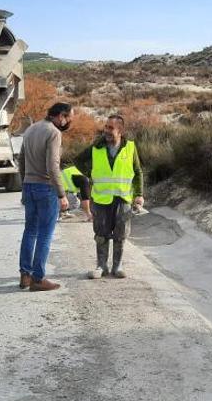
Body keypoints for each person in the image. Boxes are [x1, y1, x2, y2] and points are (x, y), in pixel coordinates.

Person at [74, 115, 144, 279]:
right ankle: (101, 266)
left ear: (120, 130)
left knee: (121, 234)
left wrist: (139, 194)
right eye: (105, 127)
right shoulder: (96, 147)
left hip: (123, 198)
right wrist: (90, 174)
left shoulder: (130, 148)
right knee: (101, 233)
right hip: (101, 199)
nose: (106, 131)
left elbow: (138, 171)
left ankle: (117, 266)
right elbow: (77, 160)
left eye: (110, 128)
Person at [17, 102, 73, 291]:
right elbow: (53, 166)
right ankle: (38, 278)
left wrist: (24, 182)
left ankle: (25, 275)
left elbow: (21, 159)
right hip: (46, 187)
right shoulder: (54, 133)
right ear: (61, 116)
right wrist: (61, 194)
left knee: (30, 231)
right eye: (68, 118)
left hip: (29, 185)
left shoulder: (31, 129)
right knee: (45, 234)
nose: (68, 122)